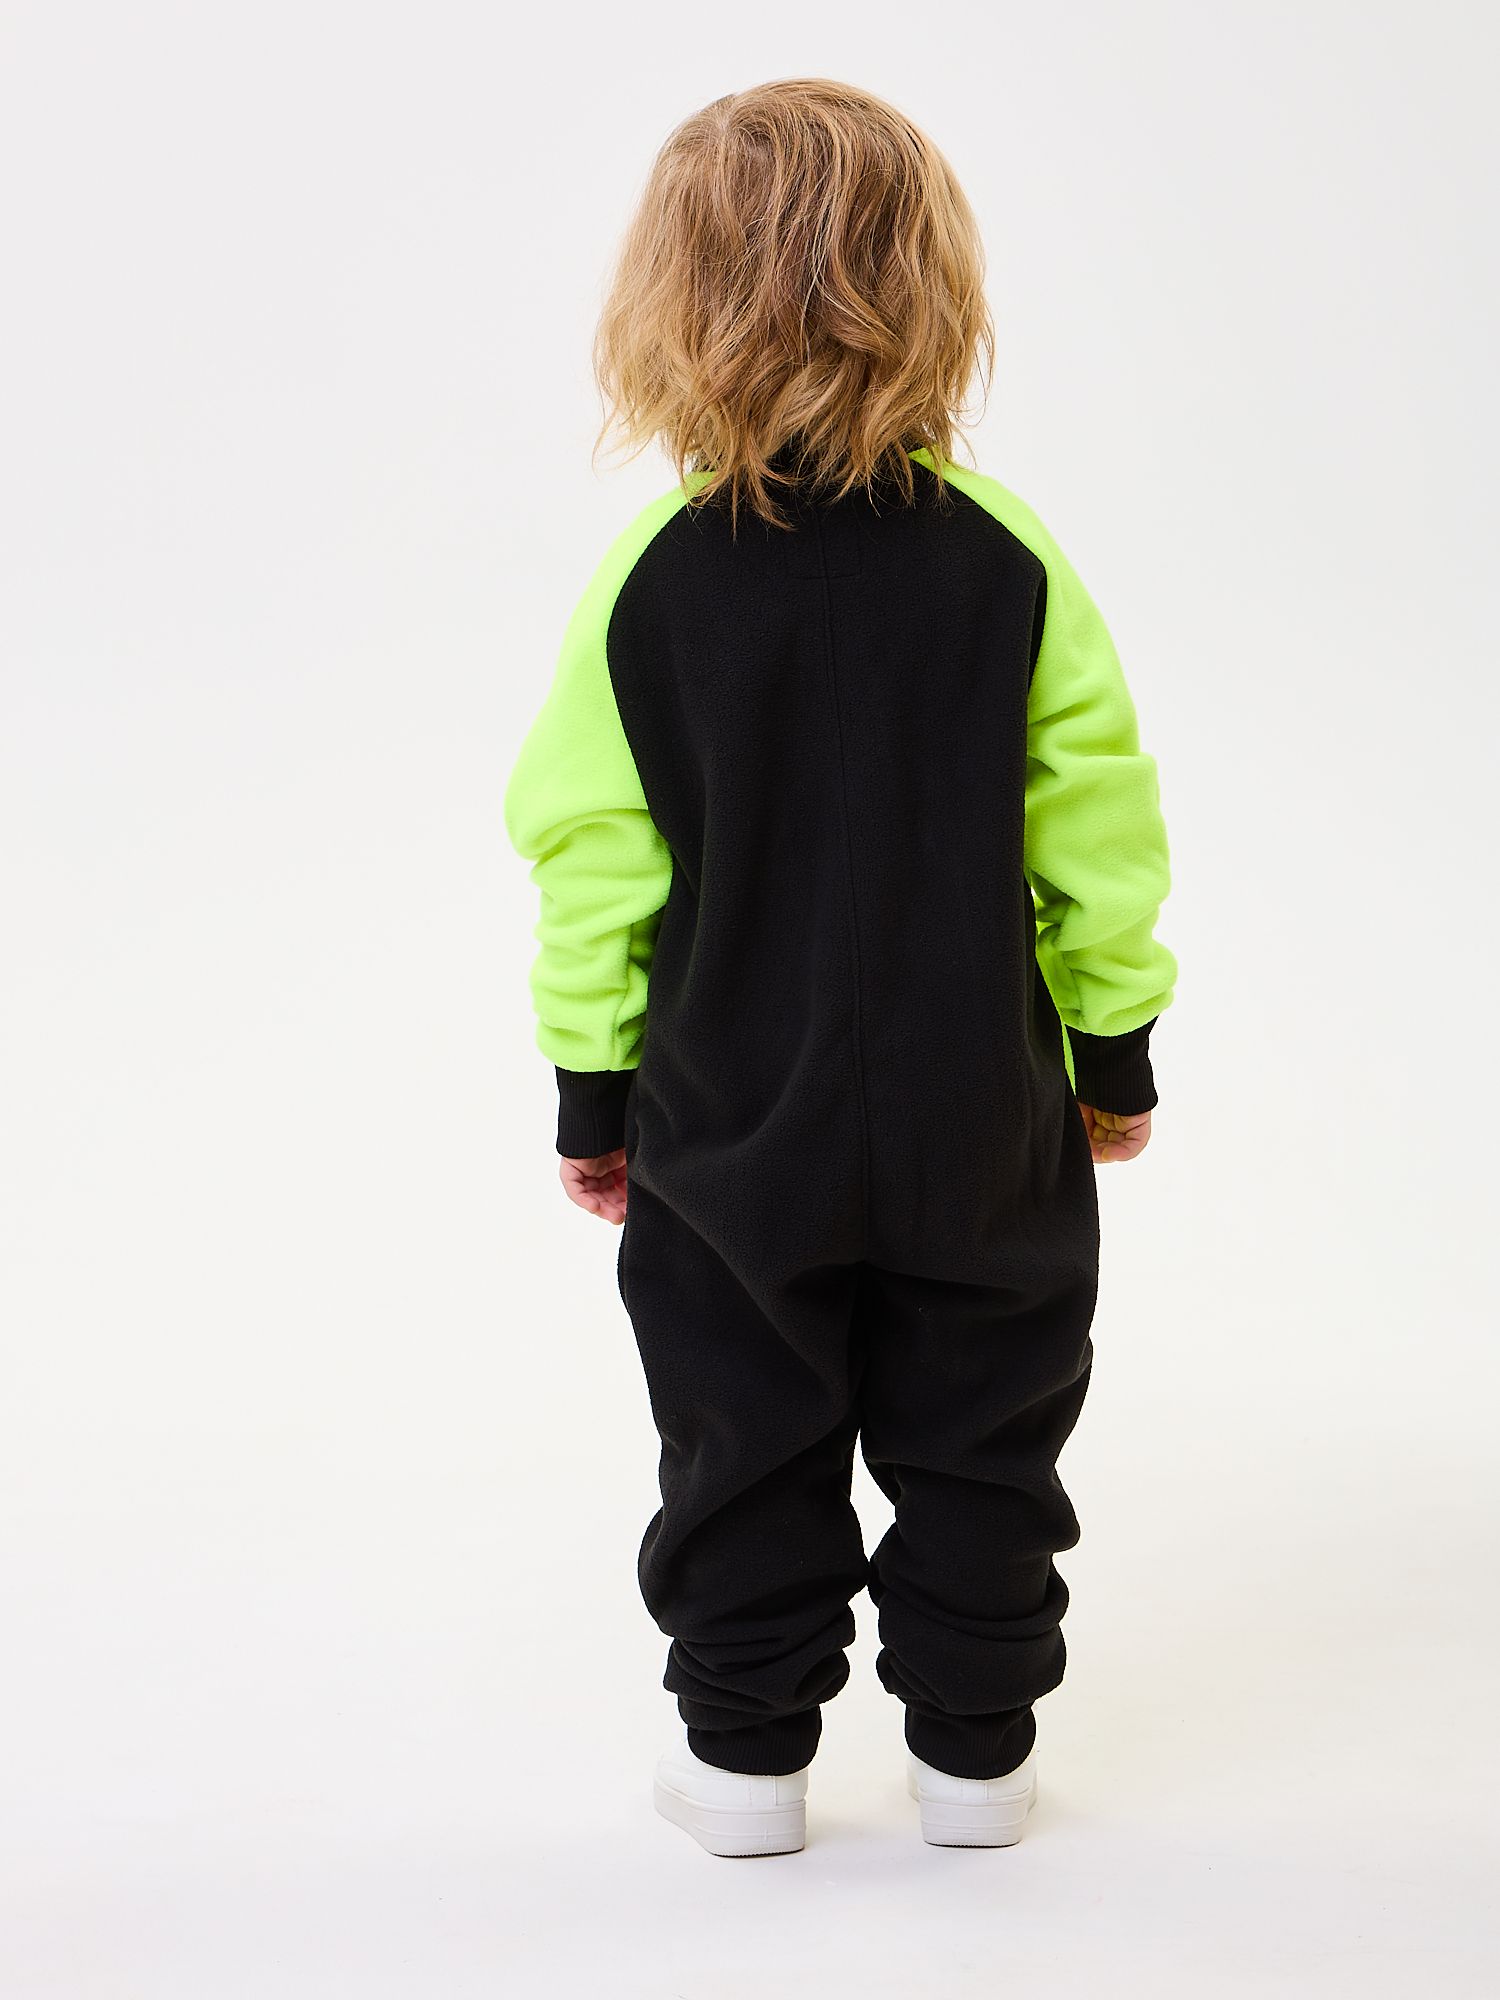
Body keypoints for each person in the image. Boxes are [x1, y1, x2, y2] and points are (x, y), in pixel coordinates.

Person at [504, 78, 1175, 1857]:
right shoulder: (1009, 559)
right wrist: (1113, 1055)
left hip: (731, 1123)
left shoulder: (650, 578)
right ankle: (976, 1762)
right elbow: (1096, 825)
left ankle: (743, 1769)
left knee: (741, 1434)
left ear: (674, 306)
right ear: (931, 291)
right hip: (982, 1117)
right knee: (986, 1430)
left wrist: (593, 1091)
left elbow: (596, 860)